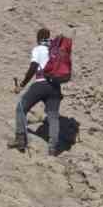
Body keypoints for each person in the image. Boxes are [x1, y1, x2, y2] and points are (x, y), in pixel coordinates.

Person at [9, 26, 65, 155]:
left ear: (38, 38)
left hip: (41, 84)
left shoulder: (39, 49)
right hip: (55, 87)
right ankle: (53, 148)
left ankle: (20, 140)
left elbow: (33, 67)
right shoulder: (55, 51)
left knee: (21, 108)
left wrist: (22, 84)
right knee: (53, 116)